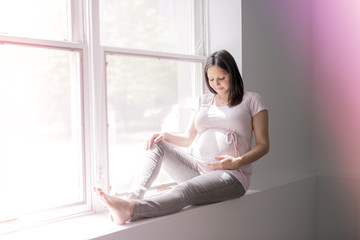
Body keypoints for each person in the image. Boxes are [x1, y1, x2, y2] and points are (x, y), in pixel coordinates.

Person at [94, 50, 269, 225]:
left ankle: (131, 210)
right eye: (211, 79)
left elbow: (263, 145)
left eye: (221, 78)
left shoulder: (252, 100)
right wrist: (165, 136)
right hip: (197, 167)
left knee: (186, 190)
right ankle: (132, 197)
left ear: (232, 73)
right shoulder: (204, 101)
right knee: (158, 144)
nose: (216, 84)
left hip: (232, 175)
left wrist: (236, 162)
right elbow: (187, 138)